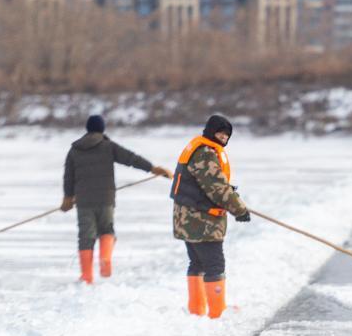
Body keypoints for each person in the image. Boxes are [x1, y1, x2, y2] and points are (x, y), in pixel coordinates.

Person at [61, 115, 172, 284]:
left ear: (87, 129)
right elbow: (131, 159)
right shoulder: (108, 146)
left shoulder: (75, 150)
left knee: (86, 236)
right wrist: (152, 168)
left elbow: (68, 176)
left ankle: (86, 276)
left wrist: (68, 198)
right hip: (105, 198)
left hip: (84, 200)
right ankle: (105, 258)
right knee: (106, 229)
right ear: (102, 129)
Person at [170, 114, 251, 319]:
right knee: (214, 265)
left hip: (187, 217)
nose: (223, 138)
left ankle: (197, 311)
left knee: (197, 262)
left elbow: (205, 183)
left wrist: (230, 193)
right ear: (210, 131)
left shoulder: (200, 149)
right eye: (220, 133)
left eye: (226, 135)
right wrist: (239, 209)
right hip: (201, 220)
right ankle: (217, 313)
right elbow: (216, 188)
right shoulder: (205, 153)